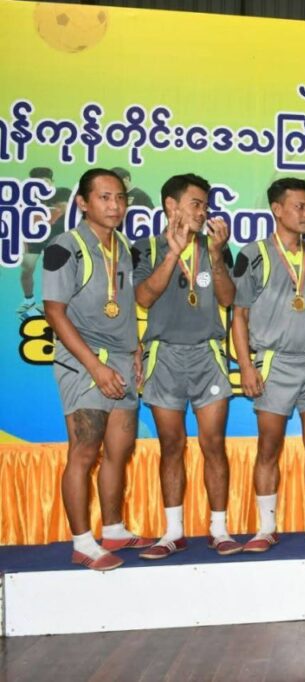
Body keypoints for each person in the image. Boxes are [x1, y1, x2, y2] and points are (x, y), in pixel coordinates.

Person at [42, 168, 153, 571]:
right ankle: (82, 542)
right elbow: (54, 312)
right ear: (83, 203)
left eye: (120, 197)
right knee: (85, 450)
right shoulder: (65, 247)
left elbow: (123, 304)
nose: (115, 205)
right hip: (83, 361)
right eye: (104, 197)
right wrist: (94, 366)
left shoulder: (123, 246)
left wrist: (135, 348)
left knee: (119, 451)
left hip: (122, 359)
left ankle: (114, 529)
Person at [232, 178, 305, 553]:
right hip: (274, 362)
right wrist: (246, 366)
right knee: (269, 447)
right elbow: (239, 315)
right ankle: (266, 527)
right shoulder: (254, 255)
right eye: (299, 206)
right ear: (277, 210)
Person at [131, 173, 239, 559]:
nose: (203, 212)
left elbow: (228, 298)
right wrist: (172, 254)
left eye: (206, 205)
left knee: (213, 444)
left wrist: (216, 257)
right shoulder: (145, 248)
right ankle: (173, 532)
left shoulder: (215, 247)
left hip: (208, 354)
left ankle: (219, 529)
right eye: (196, 204)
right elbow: (143, 297)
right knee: (171, 445)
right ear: (171, 206)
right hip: (164, 356)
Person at [20, 169, 69, 320]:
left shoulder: (62, 192)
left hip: (56, 236)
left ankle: (50, 305)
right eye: (37, 182)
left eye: (45, 181)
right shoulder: (26, 198)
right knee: (27, 267)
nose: (42, 184)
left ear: (52, 182)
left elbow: (67, 209)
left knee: (54, 272)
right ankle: (28, 300)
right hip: (34, 237)